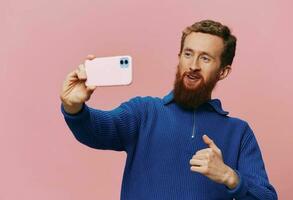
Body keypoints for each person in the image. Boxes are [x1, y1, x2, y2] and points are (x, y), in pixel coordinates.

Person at [60, 19, 278, 200]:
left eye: (205, 58)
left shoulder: (239, 133)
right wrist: (74, 107)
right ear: (179, 58)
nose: (193, 65)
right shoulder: (144, 112)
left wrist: (230, 177)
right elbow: (96, 130)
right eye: (188, 54)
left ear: (223, 71)